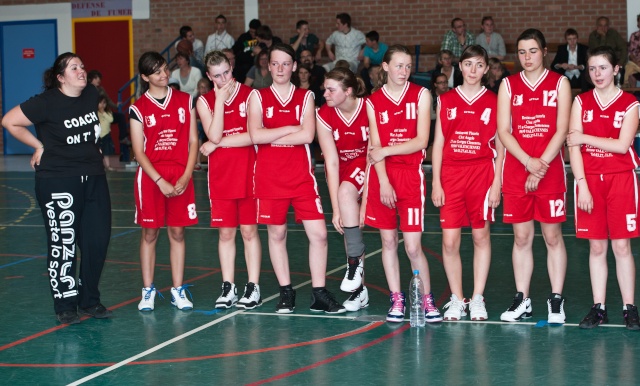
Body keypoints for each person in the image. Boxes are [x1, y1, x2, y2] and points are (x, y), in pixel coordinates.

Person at [2, 52, 112, 324]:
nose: (81, 71)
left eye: (83, 66)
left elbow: (89, 130)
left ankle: (90, 300)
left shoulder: (90, 94)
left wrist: (93, 146)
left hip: (94, 178)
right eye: (74, 67)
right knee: (63, 243)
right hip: (58, 181)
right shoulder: (46, 102)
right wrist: (39, 146)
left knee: (96, 241)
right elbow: (9, 121)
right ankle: (65, 304)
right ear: (61, 77)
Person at [247, 43, 345, 314]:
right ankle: (286, 291)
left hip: (301, 177)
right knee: (277, 234)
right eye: (275, 63)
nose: (280, 69)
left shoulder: (305, 96)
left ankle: (319, 293)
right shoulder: (257, 96)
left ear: (294, 67)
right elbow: (255, 135)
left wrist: (273, 132)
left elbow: (308, 136)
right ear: (268, 66)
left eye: (285, 64)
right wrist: (291, 127)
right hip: (269, 177)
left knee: (320, 235)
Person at [497, 29, 571, 324]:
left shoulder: (559, 83)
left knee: (552, 236)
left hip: (549, 170)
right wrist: (528, 161)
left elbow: (562, 129)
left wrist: (539, 167)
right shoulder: (508, 85)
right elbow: (504, 130)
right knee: (522, 236)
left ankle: (556, 299)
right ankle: (522, 299)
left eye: (533, 51)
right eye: (522, 52)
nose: (527, 57)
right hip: (517, 169)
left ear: (544, 52)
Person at [364, 45, 442, 323]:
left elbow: (422, 141)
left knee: (411, 247)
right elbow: (375, 147)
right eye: (398, 66)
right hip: (383, 176)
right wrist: (383, 181)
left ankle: (427, 298)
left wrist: (386, 150)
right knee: (387, 241)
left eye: (408, 66)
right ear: (385, 67)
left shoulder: (422, 95)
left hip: (410, 176)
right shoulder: (372, 102)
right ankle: (397, 297)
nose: (404, 71)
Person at [566, 46, 640, 330]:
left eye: (603, 68)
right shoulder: (581, 102)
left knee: (622, 246)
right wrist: (581, 185)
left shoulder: (630, 102)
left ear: (616, 69)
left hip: (621, 179)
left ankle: (629, 307)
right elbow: (574, 148)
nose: (597, 74)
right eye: (592, 68)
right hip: (589, 181)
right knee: (597, 247)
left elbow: (622, 145)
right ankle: (599, 308)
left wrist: (585, 136)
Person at [431, 45, 504, 321]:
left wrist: (497, 182)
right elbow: (438, 143)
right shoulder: (446, 99)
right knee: (450, 241)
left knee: (479, 236)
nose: (473, 70)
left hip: (482, 173)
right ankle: (457, 298)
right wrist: (436, 181)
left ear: (486, 69)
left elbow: (501, 144)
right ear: (459, 67)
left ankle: (477, 299)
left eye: (479, 65)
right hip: (450, 175)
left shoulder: (494, 100)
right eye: (468, 64)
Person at [129, 52, 199, 311]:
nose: (164, 74)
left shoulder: (185, 100)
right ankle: (147, 290)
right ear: (146, 77)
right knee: (150, 233)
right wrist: (159, 180)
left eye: (164, 69)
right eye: (157, 71)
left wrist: (187, 175)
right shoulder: (138, 108)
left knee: (178, 232)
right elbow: (138, 151)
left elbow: (194, 141)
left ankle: (177, 290)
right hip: (151, 177)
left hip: (180, 174)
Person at [197, 51, 263, 310]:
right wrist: (221, 101)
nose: (223, 79)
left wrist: (217, 144)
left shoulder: (251, 95)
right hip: (221, 176)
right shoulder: (204, 101)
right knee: (226, 233)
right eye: (217, 75)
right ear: (208, 76)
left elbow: (253, 136)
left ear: (232, 68)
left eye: (226, 72)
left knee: (249, 231)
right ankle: (228, 286)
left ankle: (253, 285)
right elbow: (212, 136)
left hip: (249, 172)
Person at [316, 67, 370, 311]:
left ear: (348, 91)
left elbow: (372, 154)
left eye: (331, 89)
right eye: (325, 88)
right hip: (341, 168)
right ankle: (360, 290)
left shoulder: (368, 108)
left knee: (348, 195)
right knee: (349, 228)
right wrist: (336, 209)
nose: (325, 93)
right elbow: (331, 161)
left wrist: (366, 202)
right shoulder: (324, 114)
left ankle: (354, 262)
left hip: (368, 164)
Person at [87, 70, 130, 161]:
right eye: (96, 78)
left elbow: (108, 100)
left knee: (121, 116)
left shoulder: (101, 89)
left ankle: (123, 137)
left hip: (105, 114)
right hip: (95, 115)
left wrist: (116, 105)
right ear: (91, 79)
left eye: (99, 78)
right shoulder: (87, 90)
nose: (98, 80)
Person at [232, 18, 261, 83]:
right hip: (243, 64)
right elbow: (234, 50)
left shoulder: (261, 38)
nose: (253, 34)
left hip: (256, 65)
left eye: (255, 32)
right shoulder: (244, 37)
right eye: (251, 32)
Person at [429, 73, 449, 148]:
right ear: (435, 84)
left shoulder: (453, 93)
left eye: (445, 82)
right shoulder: (430, 95)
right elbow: (430, 116)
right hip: (435, 121)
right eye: (440, 83)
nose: (443, 84)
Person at [97, 93, 115, 158]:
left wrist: (103, 113)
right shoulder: (95, 113)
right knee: (98, 151)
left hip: (106, 135)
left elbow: (111, 120)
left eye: (104, 103)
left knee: (106, 152)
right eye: (100, 103)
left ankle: (108, 166)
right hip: (98, 135)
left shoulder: (108, 112)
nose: (102, 105)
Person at [625, 14, 640, 87]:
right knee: (629, 68)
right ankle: (632, 94)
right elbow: (630, 53)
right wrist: (637, 62)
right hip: (635, 63)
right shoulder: (634, 36)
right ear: (638, 24)